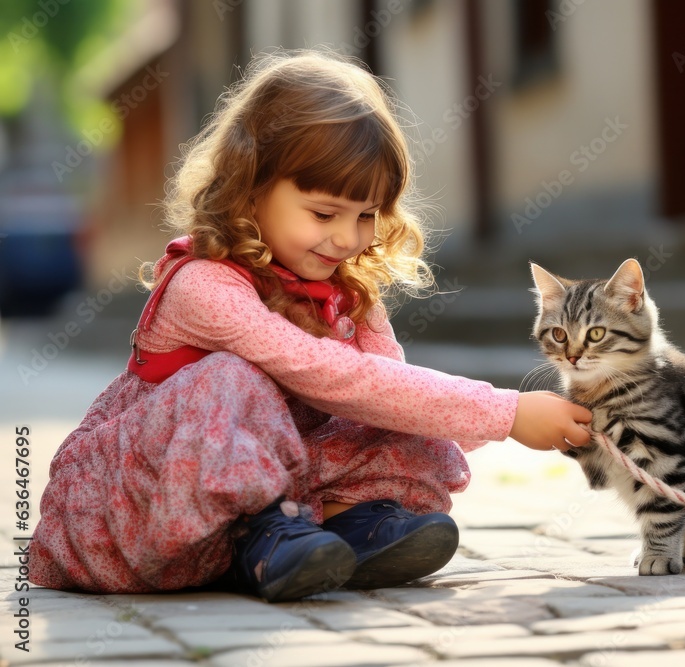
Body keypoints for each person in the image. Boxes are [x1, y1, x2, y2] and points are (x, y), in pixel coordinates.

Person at [29, 50, 592, 602]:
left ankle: (345, 530)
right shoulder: (206, 285)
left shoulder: (344, 293)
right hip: (150, 496)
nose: (348, 238)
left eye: (367, 215)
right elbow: (327, 374)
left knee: (400, 415)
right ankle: (261, 536)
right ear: (251, 188)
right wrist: (506, 412)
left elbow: (383, 387)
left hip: (284, 487)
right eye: (324, 214)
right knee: (232, 377)